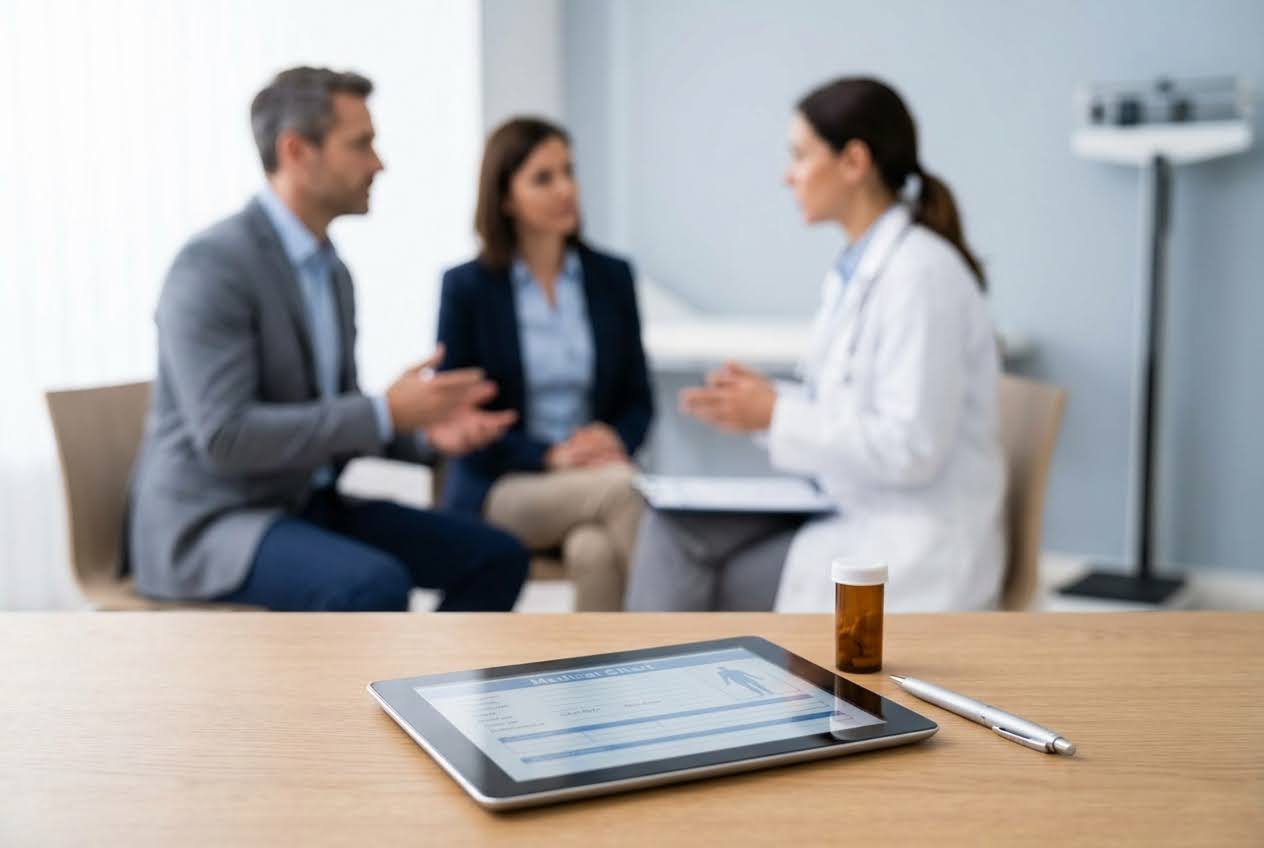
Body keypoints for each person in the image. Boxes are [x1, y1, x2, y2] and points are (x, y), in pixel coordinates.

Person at [128, 67, 529, 611]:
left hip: (300, 504)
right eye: (361, 145)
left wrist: (425, 435)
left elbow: (330, 414)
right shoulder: (213, 265)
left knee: (497, 556)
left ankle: (431, 692)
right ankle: (378, 696)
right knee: (371, 583)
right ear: (297, 151)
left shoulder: (330, 271)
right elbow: (225, 437)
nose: (379, 163)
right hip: (214, 524)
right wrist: (385, 411)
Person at [625, 77, 1005, 613]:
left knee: (698, 575)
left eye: (800, 155)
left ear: (853, 162)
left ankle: (642, 693)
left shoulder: (920, 275)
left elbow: (911, 448)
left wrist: (777, 414)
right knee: (670, 526)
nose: (788, 175)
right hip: (854, 510)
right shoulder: (858, 269)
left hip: (913, 547)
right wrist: (766, 406)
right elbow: (851, 406)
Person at [436, 117, 654, 611]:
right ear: (505, 198)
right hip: (507, 483)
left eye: (569, 172)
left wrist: (613, 437)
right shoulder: (467, 289)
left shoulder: (611, 278)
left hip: (595, 477)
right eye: (543, 177)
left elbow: (639, 398)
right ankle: (689, 650)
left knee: (593, 552)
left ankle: (605, 687)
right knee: (627, 491)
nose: (566, 190)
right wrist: (549, 455)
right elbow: (460, 420)